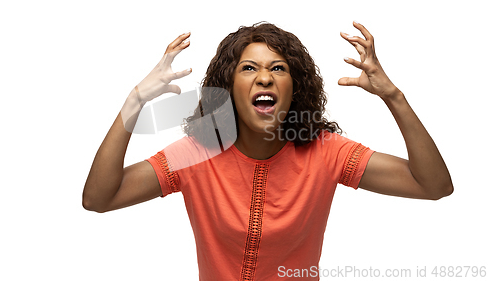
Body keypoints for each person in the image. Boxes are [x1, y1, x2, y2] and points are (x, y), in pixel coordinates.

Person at [82, 21, 453, 280]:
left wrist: (394, 97)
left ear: (295, 88)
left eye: (278, 68)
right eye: (248, 68)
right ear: (227, 89)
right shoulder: (196, 155)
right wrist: (135, 101)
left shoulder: (327, 153)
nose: (264, 77)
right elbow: (99, 198)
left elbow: (433, 185)